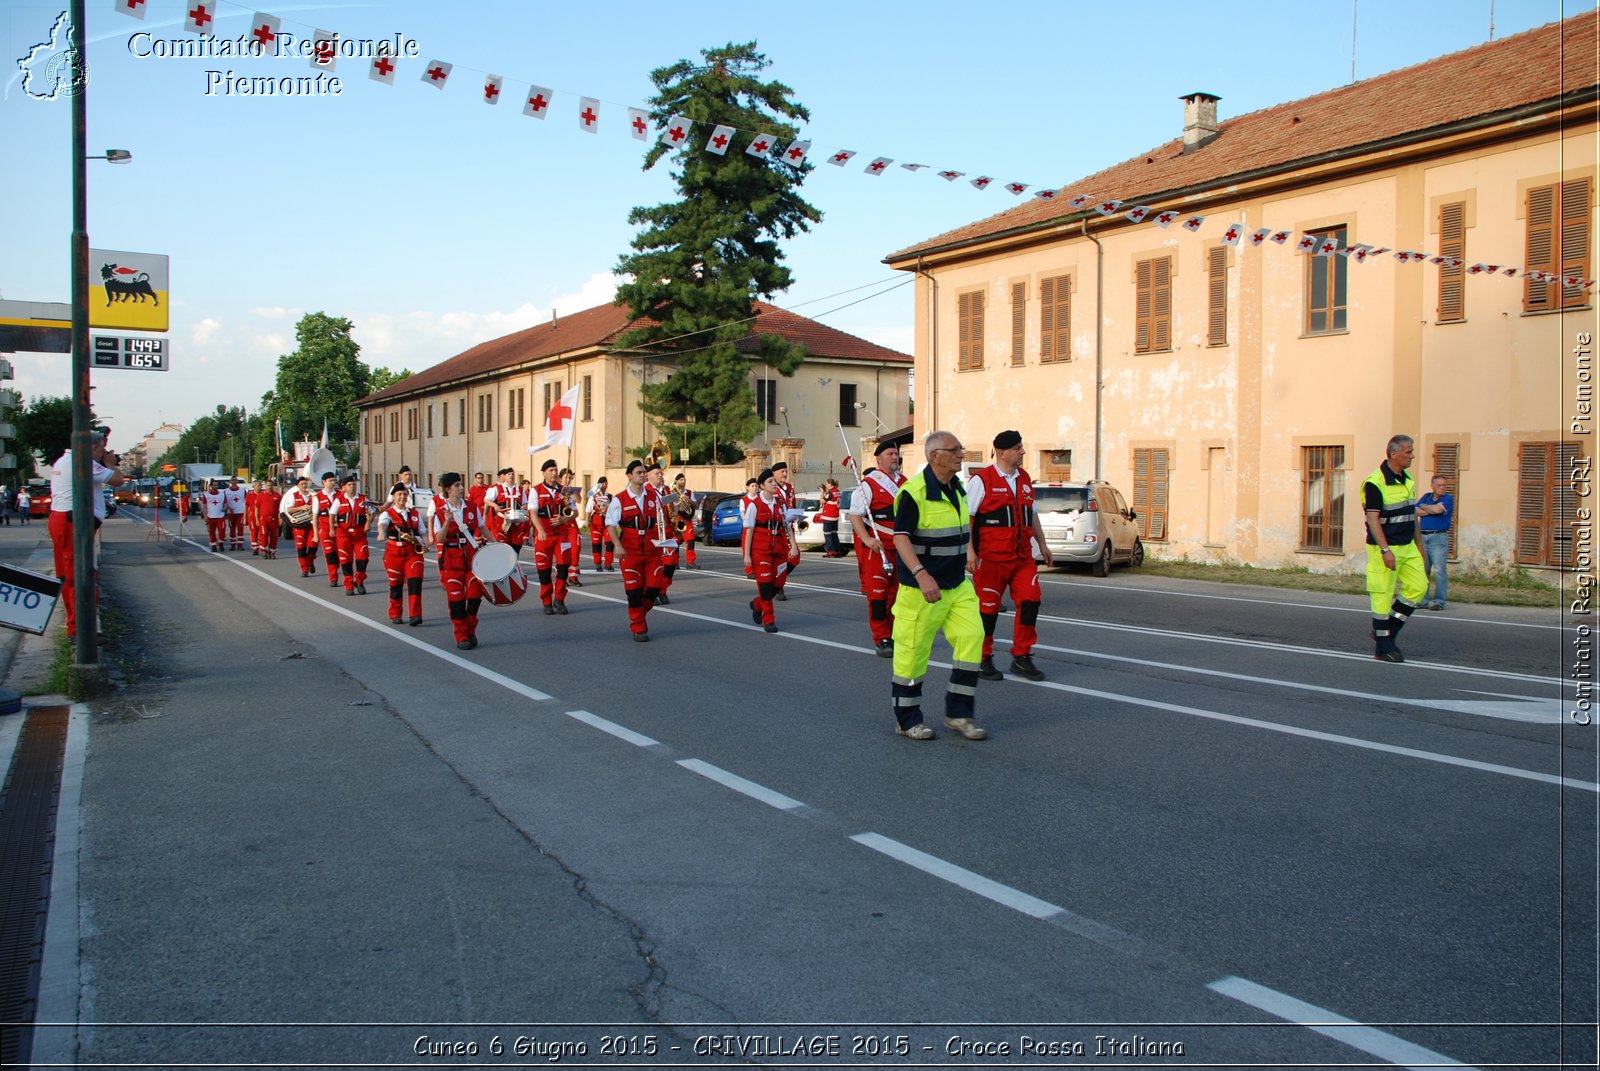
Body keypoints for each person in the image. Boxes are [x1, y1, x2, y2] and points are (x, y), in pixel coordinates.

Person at [889, 430, 986, 742]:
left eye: (961, 448)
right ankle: (907, 720)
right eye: (954, 449)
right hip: (921, 590)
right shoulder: (913, 492)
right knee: (912, 656)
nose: (961, 454)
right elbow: (900, 536)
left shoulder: (956, 487)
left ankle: (959, 714)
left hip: (957, 585)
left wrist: (969, 552)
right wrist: (920, 573)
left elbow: (962, 528)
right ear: (935, 456)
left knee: (973, 638)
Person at [968, 430, 1054, 682]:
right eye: (1018, 448)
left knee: (1031, 600)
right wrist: (970, 552)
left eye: (1022, 447)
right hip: (991, 559)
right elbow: (967, 521)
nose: (1023, 452)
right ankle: (982, 657)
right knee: (987, 610)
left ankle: (1022, 656)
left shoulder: (1024, 478)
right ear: (1002, 452)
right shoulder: (981, 480)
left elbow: (1032, 514)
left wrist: (1043, 544)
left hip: (1022, 558)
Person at [47, 430, 126, 640]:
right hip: (73, 523)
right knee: (79, 574)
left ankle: (78, 626)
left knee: (69, 573)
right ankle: (80, 631)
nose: (103, 453)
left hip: (66, 520)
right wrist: (110, 463)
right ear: (93, 447)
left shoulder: (65, 460)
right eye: (102, 449)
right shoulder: (82, 462)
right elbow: (119, 480)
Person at [1364, 434, 1427, 662]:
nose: (1412, 456)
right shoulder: (1375, 482)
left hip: (1408, 545)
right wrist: (1384, 550)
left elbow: (1412, 514)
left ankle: (1388, 630)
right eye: (1408, 452)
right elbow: (1373, 519)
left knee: (1419, 587)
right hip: (1385, 546)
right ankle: (1383, 647)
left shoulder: (1407, 479)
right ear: (1393, 454)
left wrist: (1420, 545)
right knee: (1382, 596)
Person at [849, 443, 907, 658]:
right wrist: (866, 538)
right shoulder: (869, 485)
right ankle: (881, 636)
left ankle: (893, 633)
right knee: (878, 595)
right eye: (890, 454)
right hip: (879, 548)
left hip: (901, 548)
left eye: (896, 454)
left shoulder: (905, 483)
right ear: (879, 459)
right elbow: (855, 515)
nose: (895, 457)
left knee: (898, 595)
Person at [605, 459, 666, 641]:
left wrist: (665, 541)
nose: (643, 475)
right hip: (630, 551)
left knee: (654, 589)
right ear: (630, 476)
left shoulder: (653, 496)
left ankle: (639, 613)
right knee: (634, 593)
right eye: (639, 472)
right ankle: (638, 627)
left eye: (644, 472)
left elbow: (661, 521)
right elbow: (611, 525)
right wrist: (617, 545)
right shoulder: (620, 499)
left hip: (652, 550)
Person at [432, 472, 488, 650]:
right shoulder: (441, 511)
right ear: (448, 489)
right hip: (451, 559)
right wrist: (447, 522)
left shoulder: (471, 506)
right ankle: (461, 635)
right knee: (456, 600)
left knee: (475, 595)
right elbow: (439, 539)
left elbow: (482, 527)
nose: (461, 488)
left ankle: (471, 629)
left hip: (471, 557)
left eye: (461, 484)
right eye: (457, 485)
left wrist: (498, 545)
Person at [741, 468, 790, 633]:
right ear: (762, 486)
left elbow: (786, 526)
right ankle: (768, 620)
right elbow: (749, 531)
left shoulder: (780, 503)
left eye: (774, 481)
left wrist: (794, 546)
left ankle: (756, 604)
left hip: (778, 548)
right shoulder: (754, 505)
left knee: (779, 582)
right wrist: (747, 555)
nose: (774, 484)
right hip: (760, 550)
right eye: (770, 482)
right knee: (765, 585)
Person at [376, 482, 428, 626]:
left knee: (415, 582)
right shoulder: (388, 514)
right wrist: (381, 533)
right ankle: (395, 613)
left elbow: (422, 532)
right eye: (399, 494)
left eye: (405, 494)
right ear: (393, 497)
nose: (403, 497)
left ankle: (415, 614)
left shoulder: (414, 513)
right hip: (394, 553)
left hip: (413, 552)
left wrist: (426, 542)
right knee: (396, 584)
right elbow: (382, 525)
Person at [529, 459, 572, 615]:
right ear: (544, 472)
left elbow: (574, 512)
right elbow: (533, 513)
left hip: (561, 533)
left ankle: (559, 599)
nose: (554, 473)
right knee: (544, 570)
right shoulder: (536, 491)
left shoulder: (565, 490)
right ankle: (546, 600)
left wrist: (564, 518)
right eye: (551, 470)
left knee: (563, 566)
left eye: (555, 470)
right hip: (544, 534)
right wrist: (540, 530)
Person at [1417, 474, 1454, 611]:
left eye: (1444, 485)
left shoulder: (1448, 498)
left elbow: (1438, 510)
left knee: (1439, 570)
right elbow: (1416, 511)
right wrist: (1430, 509)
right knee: (1423, 570)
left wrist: (1426, 508)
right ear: (1432, 485)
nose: (1443, 487)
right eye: (1439, 485)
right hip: (1423, 537)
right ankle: (1423, 600)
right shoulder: (1426, 497)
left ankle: (1439, 601)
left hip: (1438, 537)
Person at [330, 474, 371, 595]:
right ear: (344, 488)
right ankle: (348, 584)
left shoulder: (363, 499)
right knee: (345, 560)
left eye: (354, 484)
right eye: (349, 485)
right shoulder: (339, 500)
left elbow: (372, 511)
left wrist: (368, 523)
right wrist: (332, 528)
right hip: (343, 534)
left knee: (363, 558)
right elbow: (332, 514)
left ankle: (359, 581)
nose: (352, 487)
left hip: (359, 534)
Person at [280, 475, 317, 576]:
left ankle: (310, 561)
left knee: (312, 546)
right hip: (299, 525)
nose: (304, 485)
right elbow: (289, 509)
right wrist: (302, 507)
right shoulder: (293, 496)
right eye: (302, 484)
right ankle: (304, 569)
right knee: (301, 548)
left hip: (311, 525)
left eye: (305, 483)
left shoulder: (313, 495)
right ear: (298, 486)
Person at [310, 471, 342, 586]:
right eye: (330, 481)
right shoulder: (317, 497)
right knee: (330, 554)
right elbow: (315, 516)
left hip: (339, 530)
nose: (333, 483)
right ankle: (333, 578)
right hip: (325, 530)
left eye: (334, 480)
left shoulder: (340, 494)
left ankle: (337, 568)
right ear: (324, 482)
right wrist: (315, 535)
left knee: (340, 555)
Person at [587, 476, 615, 572]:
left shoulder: (610, 496)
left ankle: (608, 563)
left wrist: (606, 510)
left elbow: (614, 509)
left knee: (610, 543)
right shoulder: (593, 496)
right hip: (596, 522)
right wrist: (587, 520)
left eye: (606, 483)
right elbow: (588, 509)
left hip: (607, 522)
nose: (605, 485)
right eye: (603, 483)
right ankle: (598, 563)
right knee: (596, 544)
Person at [673, 472, 700, 569]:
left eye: (684, 480)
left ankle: (690, 562)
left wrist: (689, 501)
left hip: (687, 519)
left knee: (691, 540)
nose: (683, 481)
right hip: (678, 518)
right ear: (676, 481)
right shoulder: (673, 492)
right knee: (676, 541)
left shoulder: (689, 493)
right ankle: (674, 561)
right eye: (681, 480)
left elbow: (696, 505)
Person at [254, 480, 282, 559]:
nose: (269, 487)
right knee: (264, 534)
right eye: (268, 485)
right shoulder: (260, 495)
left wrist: (280, 519)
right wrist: (257, 519)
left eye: (271, 485)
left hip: (274, 519)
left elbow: (281, 509)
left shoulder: (278, 496)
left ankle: (272, 552)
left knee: (274, 536)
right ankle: (264, 550)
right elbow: (256, 508)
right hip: (264, 519)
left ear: (273, 486)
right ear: (265, 486)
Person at [200, 479, 228, 552]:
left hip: (220, 516)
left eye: (216, 485)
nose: (216, 486)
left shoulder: (222, 494)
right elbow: (204, 506)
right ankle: (213, 546)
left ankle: (221, 543)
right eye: (214, 485)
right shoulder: (206, 495)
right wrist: (205, 516)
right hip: (210, 516)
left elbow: (225, 503)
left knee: (222, 530)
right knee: (211, 532)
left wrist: (224, 508)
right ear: (210, 486)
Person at [818, 479, 843, 556]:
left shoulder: (831, 492)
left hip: (828, 517)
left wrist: (822, 492)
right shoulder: (837, 491)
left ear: (829, 484)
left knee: (828, 534)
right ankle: (837, 550)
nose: (826, 485)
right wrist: (825, 492)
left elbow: (822, 501)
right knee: (834, 534)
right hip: (835, 517)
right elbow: (829, 498)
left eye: (827, 483)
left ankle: (831, 551)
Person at [223, 477, 248, 551]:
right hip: (231, 513)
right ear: (230, 481)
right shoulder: (226, 491)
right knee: (232, 529)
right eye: (232, 480)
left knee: (240, 529)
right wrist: (229, 508)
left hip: (240, 512)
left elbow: (246, 501)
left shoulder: (242, 490)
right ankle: (233, 545)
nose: (234, 482)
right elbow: (224, 501)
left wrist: (245, 512)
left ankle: (240, 545)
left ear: (237, 481)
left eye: (235, 480)